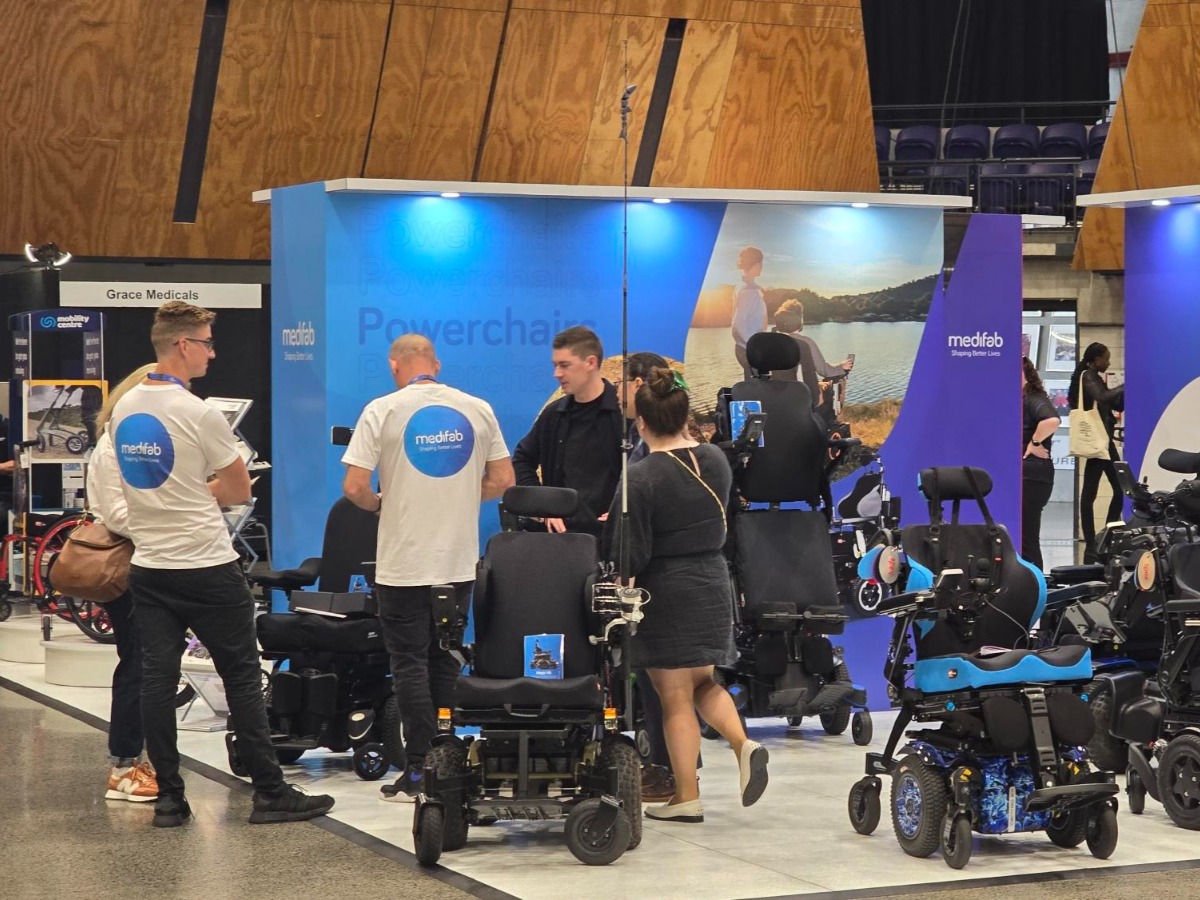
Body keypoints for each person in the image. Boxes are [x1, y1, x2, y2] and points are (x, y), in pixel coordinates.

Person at [112, 301, 334, 828]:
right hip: (206, 565)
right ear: (183, 345)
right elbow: (237, 490)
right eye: (207, 343)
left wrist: (180, 493)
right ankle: (270, 794)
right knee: (241, 678)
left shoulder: (125, 408)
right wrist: (197, 493)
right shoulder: (199, 412)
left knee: (156, 681)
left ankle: (170, 800)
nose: (212, 353)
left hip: (150, 566)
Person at [342, 334, 514, 801]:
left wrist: (382, 504)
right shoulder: (477, 408)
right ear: (435, 365)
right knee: (445, 658)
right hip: (457, 561)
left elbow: (354, 486)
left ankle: (419, 766)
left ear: (394, 365)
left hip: (403, 562)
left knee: (409, 663)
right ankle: (447, 759)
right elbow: (503, 480)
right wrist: (461, 498)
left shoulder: (382, 409)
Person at [603, 367, 768, 822]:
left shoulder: (640, 477)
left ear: (641, 423)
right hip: (712, 580)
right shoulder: (715, 459)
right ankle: (742, 743)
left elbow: (630, 554)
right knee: (702, 682)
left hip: (666, 591)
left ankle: (686, 796)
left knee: (674, 697)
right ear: (683, 414)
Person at [87, 364, 160, 802]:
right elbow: (117, 514)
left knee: (146, 662)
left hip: (149, 561)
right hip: (129, 564)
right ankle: (125, 765)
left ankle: (134, 760)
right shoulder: (113, 446)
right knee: (138, 662)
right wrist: (166, 524)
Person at [512, 326, 623, 536]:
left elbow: (647, 471)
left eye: (564, 365)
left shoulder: (624, 415)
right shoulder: (553, 415)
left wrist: (627, 509)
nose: (557, 374)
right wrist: (543, 506)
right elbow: (522, 459)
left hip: (611, 537)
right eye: (555, 365)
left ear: (590, 363)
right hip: (562, 540)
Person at [1068, 342, 1126, 564]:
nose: (1109, 362)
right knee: (1093, 493)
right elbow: (1101, 397)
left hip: (1103, 441)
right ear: (1095, 359)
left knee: (1116, 489)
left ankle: (1103, 540)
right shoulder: (1087, 376)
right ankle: (1094, 545)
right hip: (1098, 441)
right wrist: (1126, 385)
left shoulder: (1094, 376)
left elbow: (1114, 405)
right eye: (1106, 358)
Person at [772, 299, 854, 424]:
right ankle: (830, 424)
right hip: (804, 398)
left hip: (778, 396)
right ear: (799, 319)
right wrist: (842, 366)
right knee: (838, 382)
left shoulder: (771, 341)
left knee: (821, 384)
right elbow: (825, 371)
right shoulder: (805, 342)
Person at [1021, 356, 1060, 571]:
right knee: (1024, 537)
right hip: (1030, 476)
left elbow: (1052, 420)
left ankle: (1035, 583)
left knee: (1027, 538)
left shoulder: (1033, 398)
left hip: (1033, 476)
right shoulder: (1023, 399)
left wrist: (1034, 442)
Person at [732, 247, 767, 380]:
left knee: (753, 386)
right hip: (749, 350)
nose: (762, 267)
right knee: (756, 387)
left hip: (746, 347)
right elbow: (738, 322)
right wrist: (754, 346)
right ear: (757, 264)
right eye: (761, 263)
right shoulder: (749, 291)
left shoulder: (742, 287)